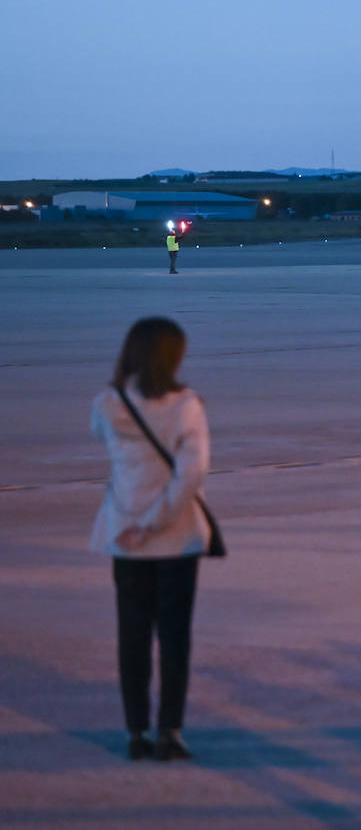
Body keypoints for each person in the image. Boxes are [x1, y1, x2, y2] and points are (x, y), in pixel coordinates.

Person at [90, 316, 211, 762]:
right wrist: (158, 520)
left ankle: (136, 732)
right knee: (174, 637)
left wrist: (137, 520)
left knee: (132, 635)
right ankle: (170, 732)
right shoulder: (187, 405)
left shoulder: (109, 403)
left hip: (125, 536)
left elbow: (103, 442)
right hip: (176, 538)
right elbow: (191, 473)